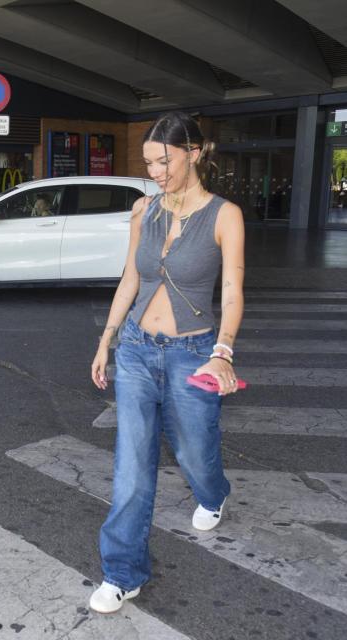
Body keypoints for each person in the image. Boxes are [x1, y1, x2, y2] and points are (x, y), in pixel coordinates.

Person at [88, 111, 244, 613]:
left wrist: (223, 351)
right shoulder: (144, 210)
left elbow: (234, 291)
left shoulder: (224, 215)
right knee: (131, 465)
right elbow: (130, 279)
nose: (155, 171)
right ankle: (123, 572)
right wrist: (106, 340)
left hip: (192, 353)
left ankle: (214, 492)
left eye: (164, 160)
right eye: (149, 162)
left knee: (196, 452)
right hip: (136, 348)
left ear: (193, 153)